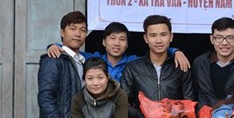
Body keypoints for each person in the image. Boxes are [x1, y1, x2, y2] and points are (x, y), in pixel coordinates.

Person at [46, 21, 190, 82]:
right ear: (104, 42)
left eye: (122, 39)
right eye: (112, 38)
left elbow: (156, 52)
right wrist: (54, 45)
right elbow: (71, 52)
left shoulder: (134, 62)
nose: (117, 43)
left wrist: (175, 51)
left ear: (127, 45)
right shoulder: (93, 59)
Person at [192, 17, 234, 109]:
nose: (224, 43)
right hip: (204, 115)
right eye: (219, 38)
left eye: (230, 38)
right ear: (212, 39)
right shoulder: (200, 63)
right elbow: (195, 92)